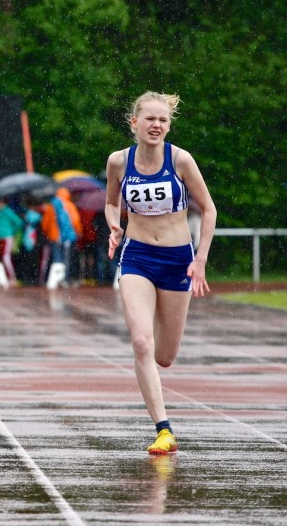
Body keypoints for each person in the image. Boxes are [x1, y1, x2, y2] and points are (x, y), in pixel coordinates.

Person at [105, 91, 216, 455]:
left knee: (164, 355)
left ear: (168, 126)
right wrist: (114, 226)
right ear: (134, 123)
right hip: (137, 256)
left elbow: (209, 209)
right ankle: (163, 430)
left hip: (177, 260)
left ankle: (151, 339)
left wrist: (200, 259)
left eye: (163, 120)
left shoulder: (180, 160)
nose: (156, 125)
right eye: (150, 119)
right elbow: (111, 202)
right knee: (141, 342)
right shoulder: (118, 162)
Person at [0, 198, 24, 282]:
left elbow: (19, 222)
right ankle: (5, 277)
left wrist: (11, 231)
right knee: (3, 257)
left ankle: (11, 277)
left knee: (6, 257)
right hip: (1, 237)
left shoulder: (7, 211)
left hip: (7, 237)